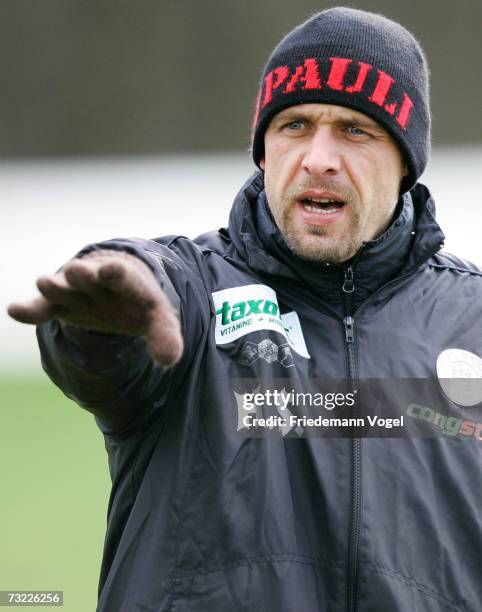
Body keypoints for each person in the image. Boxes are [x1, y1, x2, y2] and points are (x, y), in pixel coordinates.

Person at [8, 7, 481, 612]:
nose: (318, 158)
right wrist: (103, 324)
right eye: (294, 125)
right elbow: (119, 323)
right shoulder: (193, 293)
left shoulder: (473, 318)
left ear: (406, 162)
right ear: (263, 150)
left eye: (356, 130)